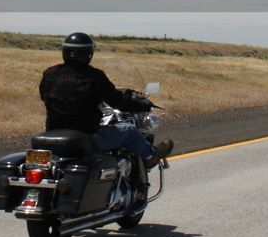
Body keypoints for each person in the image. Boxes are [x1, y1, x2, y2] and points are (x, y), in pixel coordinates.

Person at [39, 32, 174, 170]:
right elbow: (119, 102)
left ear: (64, 51)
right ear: (89, 54)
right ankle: (150, 157)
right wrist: (142, 104)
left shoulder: (50, 73)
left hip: (51, 135)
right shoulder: (94, 76)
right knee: (129, 131)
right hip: (87, 137)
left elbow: (44, 96)